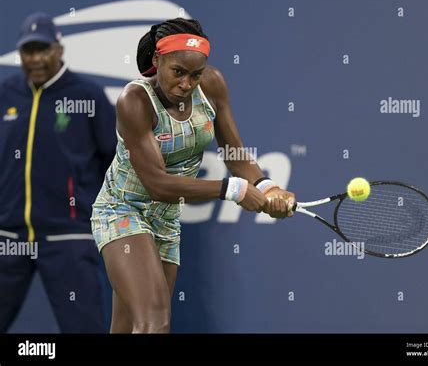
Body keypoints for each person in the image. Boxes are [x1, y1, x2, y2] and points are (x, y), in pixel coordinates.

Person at [91, 18, 295, 334]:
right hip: (122, 210)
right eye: (178, 72)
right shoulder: (135, 101)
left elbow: (234, 153)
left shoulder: (212, 86)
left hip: (166, 220)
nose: (187, 84)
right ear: (157, 61)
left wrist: (267, 186)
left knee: (127, 326)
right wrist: (234, 189)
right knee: (154, 322)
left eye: (195, 74)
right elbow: (157, 184)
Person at [0, 12, 116, 332]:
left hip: (68, 237)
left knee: (83, 329)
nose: (35, 59)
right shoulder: (7, 95)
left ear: (59, 50)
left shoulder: (86, 95)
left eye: (43, 49)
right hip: (9, 238)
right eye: (28, 51)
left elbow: (116, 160)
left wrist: (98, 213)